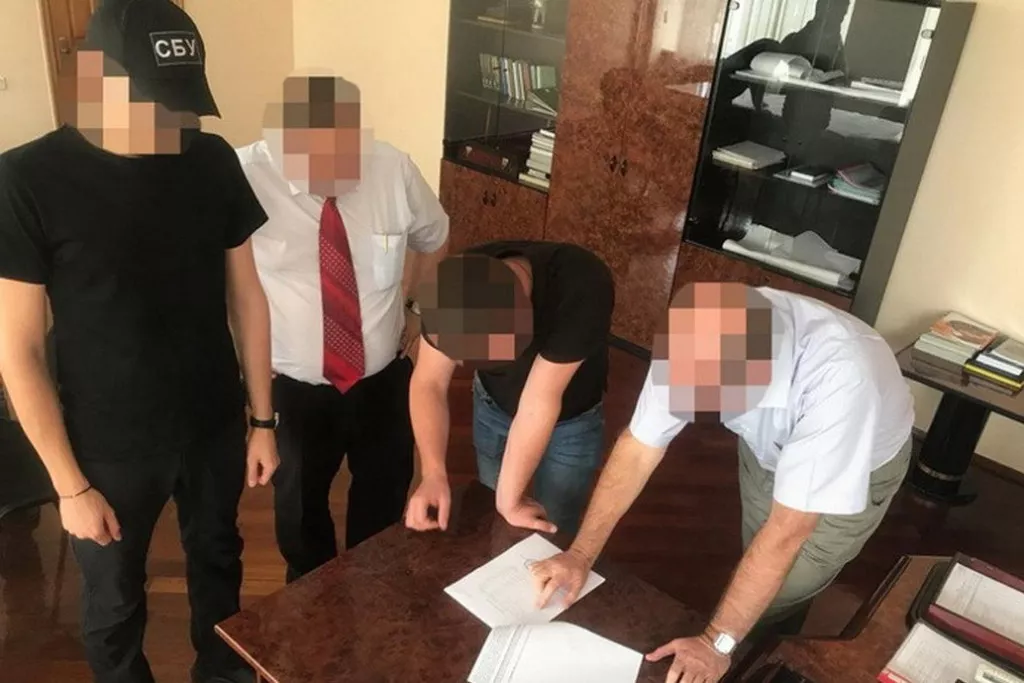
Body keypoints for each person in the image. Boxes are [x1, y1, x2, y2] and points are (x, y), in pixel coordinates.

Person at [0, 2, 278, 683]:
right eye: (156, 100)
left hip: (212, 422)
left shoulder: (210, 158)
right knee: (114, 600)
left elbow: (247, 296)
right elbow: (18, 351)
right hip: (106, 445)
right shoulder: (26, 179)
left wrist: (263, 420)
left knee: (219, 562)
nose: (174, 121)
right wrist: (69, 485)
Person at [530, 282, 913, 683]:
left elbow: (786, 533)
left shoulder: (841, 383)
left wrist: (715, 642)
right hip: (766, 448)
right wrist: (580, 554)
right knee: (758, 554)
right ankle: (755, 641)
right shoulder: (697, 334)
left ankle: (760, 653)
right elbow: (638, 449)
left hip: (860, 459)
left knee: (791, 583)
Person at [236, 73, 450, 582]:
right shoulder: (242, 176)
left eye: (345, 161)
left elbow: (435, 236)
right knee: (299, 510)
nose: (336, 179)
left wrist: (415, 307)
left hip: (382, 377)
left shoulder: (392, 168)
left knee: (383, 498)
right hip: (293, 386)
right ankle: (311, 595)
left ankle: (371, 590)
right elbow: (222, 281)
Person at [405, 242, 615, 537]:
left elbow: (537, 402)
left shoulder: (583, 287)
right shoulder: (451, 288)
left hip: (572, 420)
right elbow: (429, 382)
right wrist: (433, 473)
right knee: (492, 506)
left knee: (553, 521)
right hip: (494, 407)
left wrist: (509, 501)